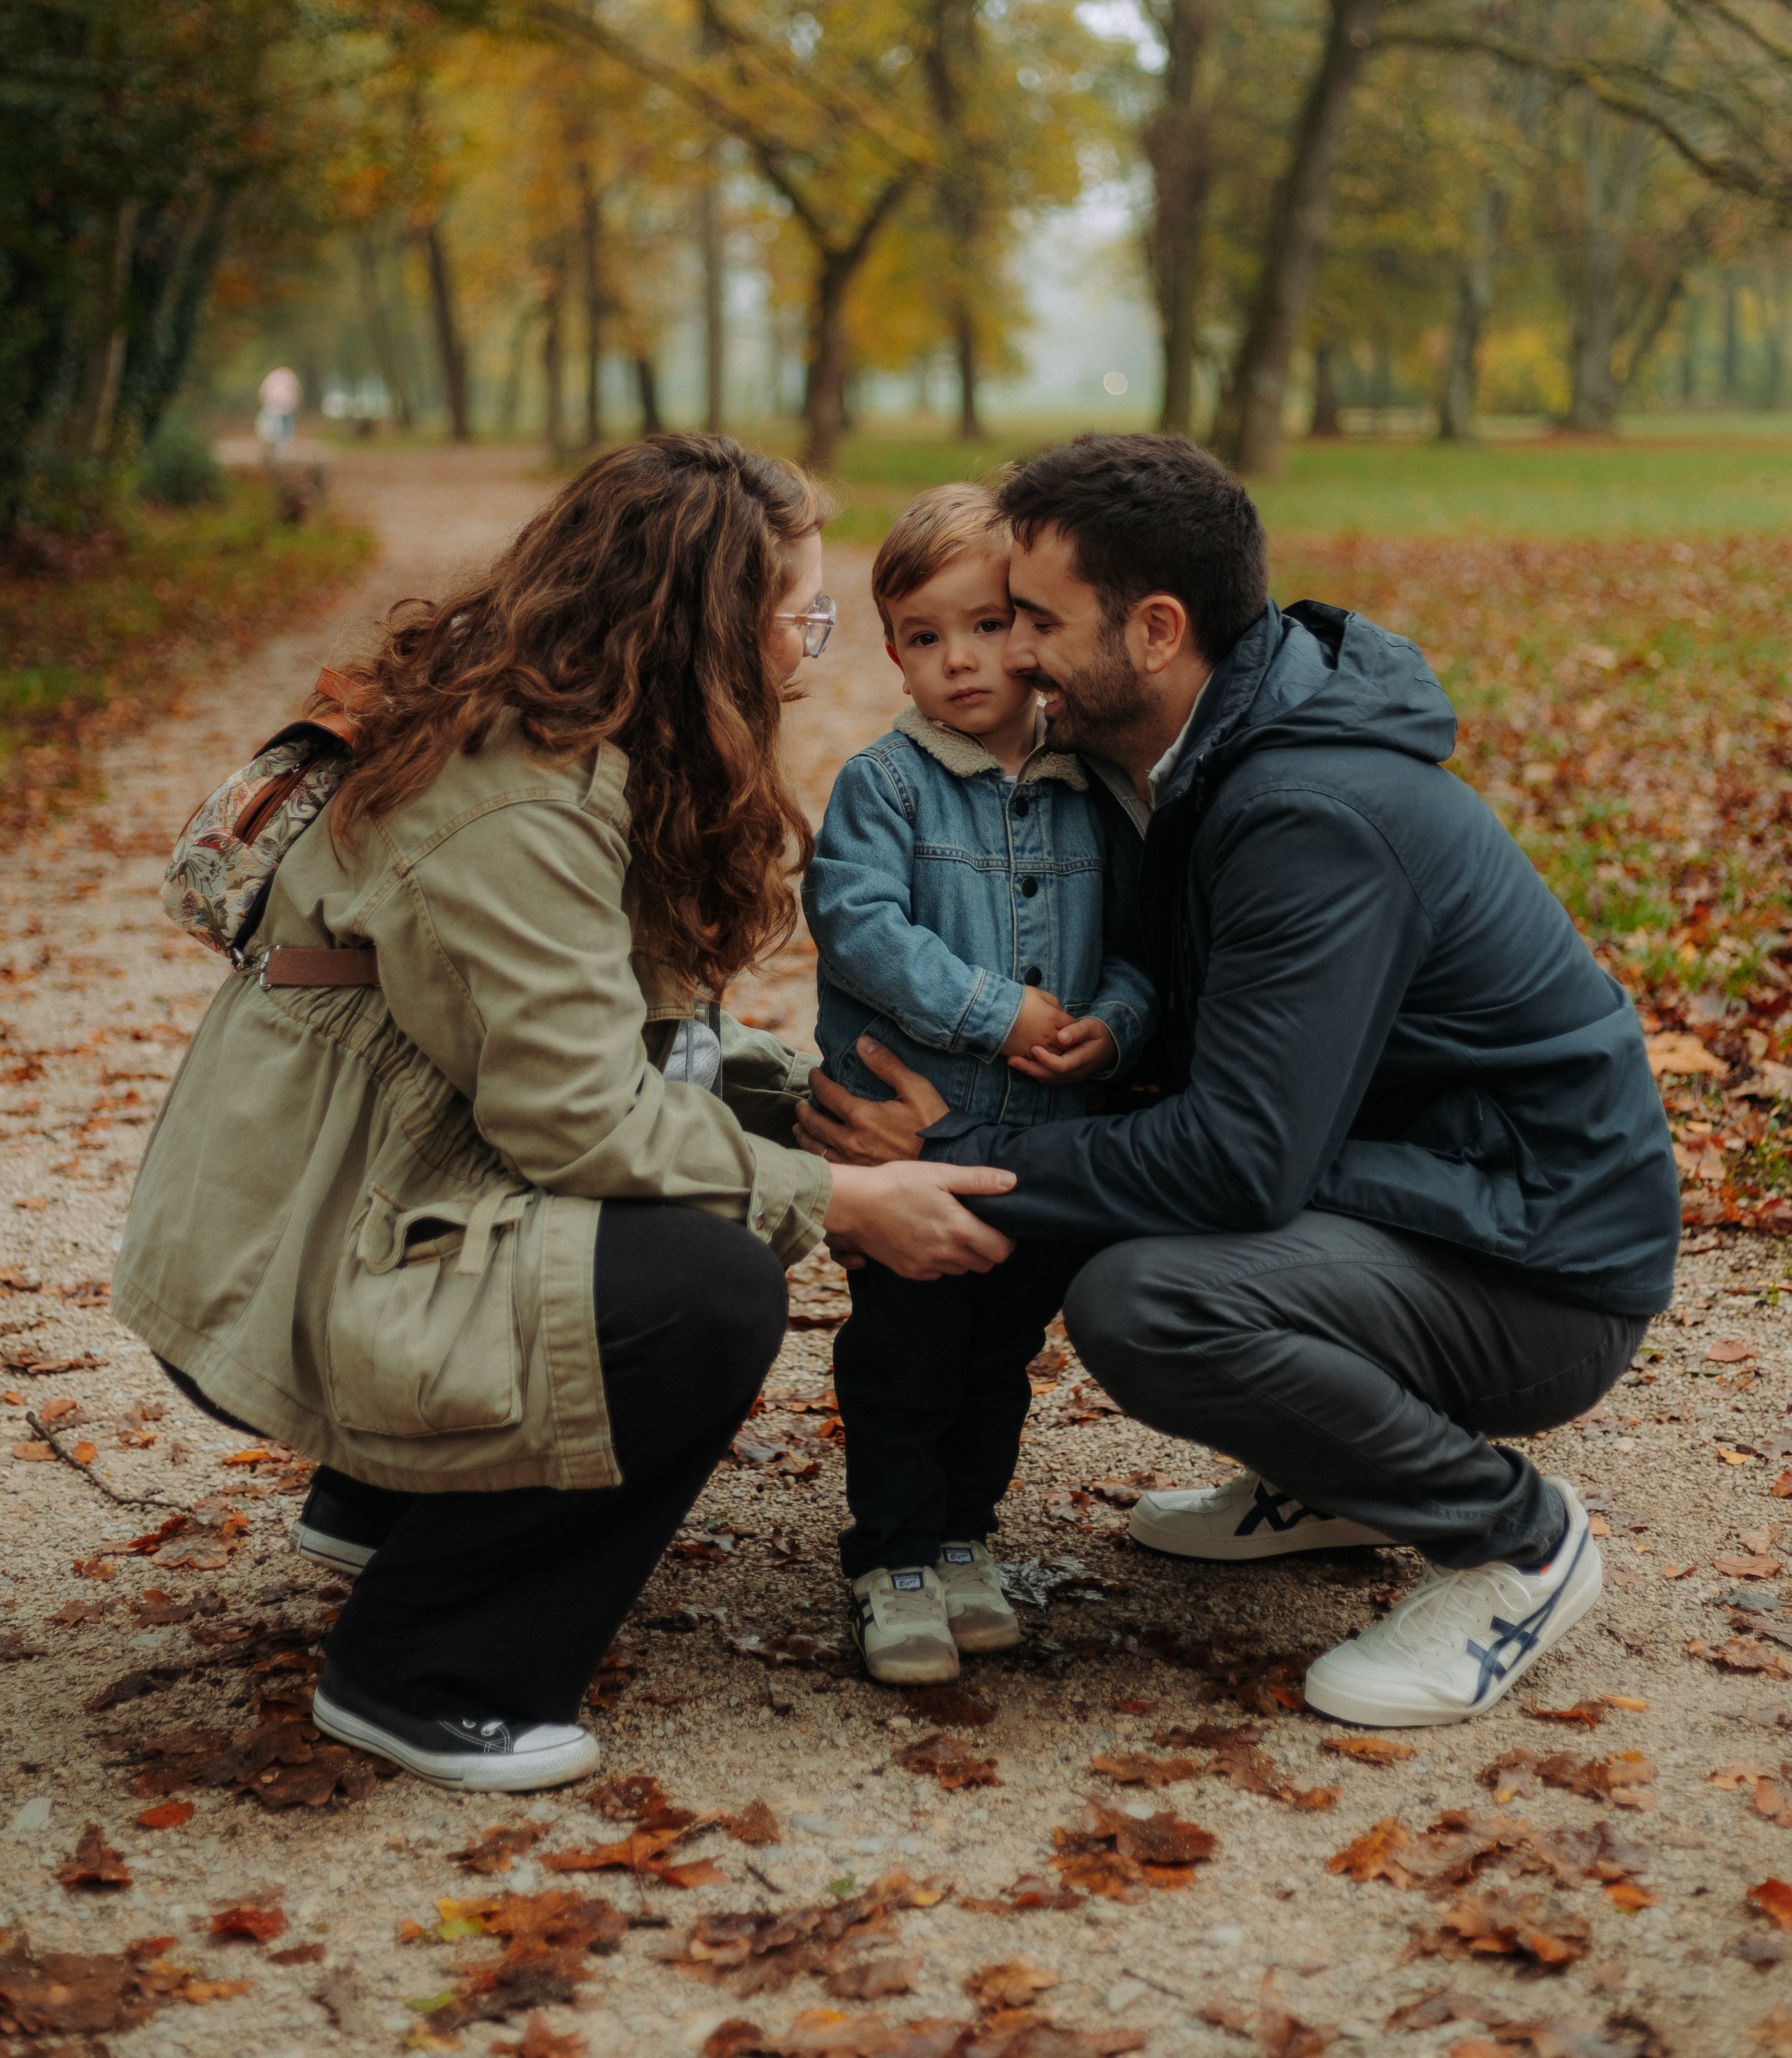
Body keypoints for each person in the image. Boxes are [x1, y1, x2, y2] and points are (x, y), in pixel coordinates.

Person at [114, 436, 1019, 1791]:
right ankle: (426, 1672)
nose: (807, 656)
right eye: (797, 618)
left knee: (703, 1211)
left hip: (350, 1191)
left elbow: (612, 1035)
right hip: (291, 1260)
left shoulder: (570, 731)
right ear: (703, 622)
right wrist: (834, 1200)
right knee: (701, 1294)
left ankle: (394, 1505)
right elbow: (584, 1121)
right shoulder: (517, 801)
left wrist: (812, 1108)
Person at [795, 433, 1680, 1731]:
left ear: (1154, 631)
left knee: (1151, 1302)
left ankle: (1517, 1546)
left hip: (1537, 1261)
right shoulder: (1200, 758)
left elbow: (1236, 1163)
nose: (1012, 654)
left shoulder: (1302, 809)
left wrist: (956, 1158)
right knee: (1144, 1243)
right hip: (1421, 1195)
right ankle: (1328, 1483)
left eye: (1033, 620)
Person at [803, 485, 1155, 1685]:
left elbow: (1140, 950)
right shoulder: (887, 786)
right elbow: (856, 926)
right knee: (903, 1350)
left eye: (988, 625)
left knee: (998, 1354)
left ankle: (963, 1536)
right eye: (921, 636)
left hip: (1046, 1148)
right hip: (917, 1144)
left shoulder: (1096, 791)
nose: (959, 660)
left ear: (1035, 628)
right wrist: (993, 1010)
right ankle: (890, 1553)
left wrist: (1110, 1027)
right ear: (893, 648)